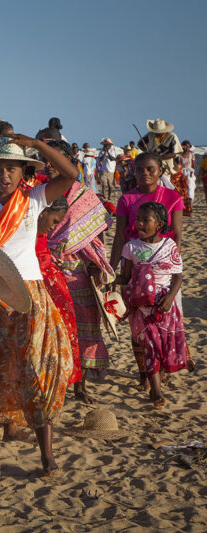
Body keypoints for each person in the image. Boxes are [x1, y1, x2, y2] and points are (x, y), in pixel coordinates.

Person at [0, 134, 79, 475]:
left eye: (12, 169)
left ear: (24, 172)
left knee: (34, 370)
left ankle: (46, 454)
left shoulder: (34, 198)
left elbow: (70, 174)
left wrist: (36, 144)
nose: (5, 175)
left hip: (30, 296)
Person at [45, 141, 115, 403]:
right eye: (47, 160)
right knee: (52, 331)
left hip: (78, 272)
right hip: (46, 270)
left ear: (69, 161)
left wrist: (99, 267)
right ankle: (55, 384)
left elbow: (96, 238)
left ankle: (79, 387)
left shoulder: (84, 195)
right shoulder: (38, 192)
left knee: (83, 329)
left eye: (56, 160)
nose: (51, 165)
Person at [110, 152, 184, 390]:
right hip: (134, 264)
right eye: (139, 169)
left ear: (160, 171)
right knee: (137, 324)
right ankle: (144, 372)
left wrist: (171, 266)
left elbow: (178, 235)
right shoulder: (127, 199)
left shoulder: (173, 197)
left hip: (165, 268)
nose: (145, 173)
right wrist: (112, 269)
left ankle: (161, 368)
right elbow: (120, 234)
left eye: (150, 169)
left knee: (166, 321)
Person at [114, 201, 190, 408]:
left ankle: (156, 376)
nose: (139, 223)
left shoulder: (169, 246)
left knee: (163, 346)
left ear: (159, 224)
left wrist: (170, 298)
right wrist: (110, 279)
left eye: (145, 219)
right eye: (137, 219)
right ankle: (155, 391)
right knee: (150, 346)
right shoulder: (130, 247)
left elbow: (177, 278)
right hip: (141, 308)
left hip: (164, 305)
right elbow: (126, 276)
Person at [36, 198, 80, 388]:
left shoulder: (38, 232)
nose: (52, 227)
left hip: (51, 284)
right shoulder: (24, 233)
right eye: (54, 221)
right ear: (42, 213)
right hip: (38, 285)